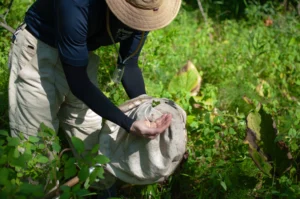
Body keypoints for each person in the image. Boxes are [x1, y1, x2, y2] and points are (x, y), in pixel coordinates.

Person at [9, 0, 181, 153]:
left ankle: (101, 187)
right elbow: (78, 82)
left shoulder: (146, 10)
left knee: (95, 146)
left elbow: (129, 65)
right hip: (39, 53)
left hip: (81, 57)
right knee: (37, 144)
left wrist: (149, 109)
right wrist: (128, 124)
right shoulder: (77, 4)